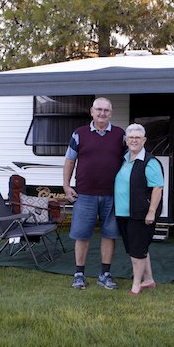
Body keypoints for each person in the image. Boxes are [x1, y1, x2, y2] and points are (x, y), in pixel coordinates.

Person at [63, 97, 126, 290]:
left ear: (111, 113)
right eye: (98, 109)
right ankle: (79, 274)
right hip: (85, 194)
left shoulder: (120, 135)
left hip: (112, 194)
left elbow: (128, 162)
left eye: (106, 110)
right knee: (82, 235)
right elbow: (69, 161)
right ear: (91, 111)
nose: (102, 113)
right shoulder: (79, 134)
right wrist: (66, 185)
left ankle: (104, 275)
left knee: (110, 235)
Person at [113, 123, 164, 295]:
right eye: (131, 137)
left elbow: (158, 188)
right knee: (138, 248)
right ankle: (149, 280)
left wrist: (151, 212)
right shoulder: (124, 158)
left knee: (137, 251)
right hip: (122, 212)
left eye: (138, 137)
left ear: (144, 140)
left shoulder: (150, 162)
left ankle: (136, 285)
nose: (134, 140)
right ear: (126, 140)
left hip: (139, 214)